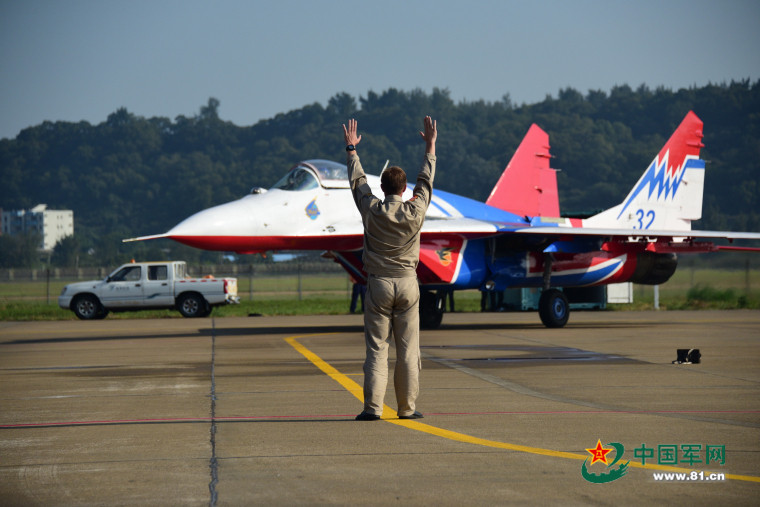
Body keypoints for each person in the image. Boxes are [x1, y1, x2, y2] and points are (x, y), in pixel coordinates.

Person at [342, 116, 437, 421]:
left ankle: (372, 408)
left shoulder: (371, 209)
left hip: (379, 284)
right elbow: (426, 182)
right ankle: (407, 408)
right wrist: (430, 147)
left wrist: (352, 150)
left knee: (377, 349)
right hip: (408, 284)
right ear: (404, 188)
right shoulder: (415, 210)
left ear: (381, 188)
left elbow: (358, 183)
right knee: (408, 351)